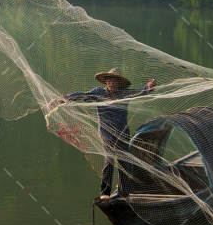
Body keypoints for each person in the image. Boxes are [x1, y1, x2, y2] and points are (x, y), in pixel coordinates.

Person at [59, 69, 157, 199]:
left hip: (122, 133)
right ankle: (105, 193)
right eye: (110, 80)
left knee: (124, 162)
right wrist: (67, 98)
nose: (112, 82)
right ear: (106, 81)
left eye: (115, 80)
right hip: (107, 134)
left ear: (119, 82)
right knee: (109, 161)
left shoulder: (124, 93)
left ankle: (125, 193)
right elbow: (83, 95)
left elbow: (139, 92)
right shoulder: (98, 92)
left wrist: (148, 87)